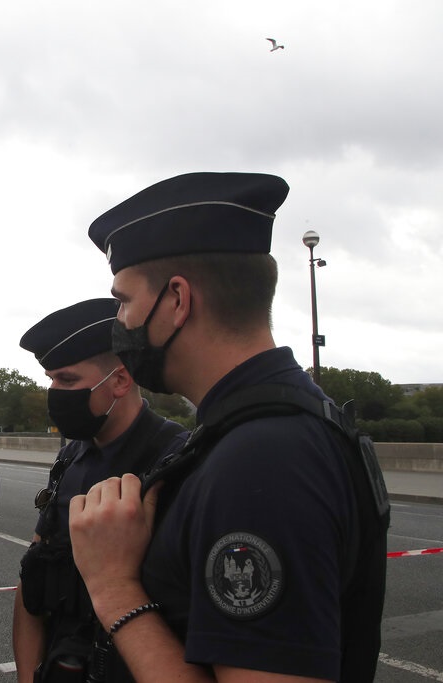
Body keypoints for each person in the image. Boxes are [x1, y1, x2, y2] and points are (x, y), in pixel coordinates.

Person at [68, 172, 389, 682]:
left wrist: (113, 587)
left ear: (177, 300)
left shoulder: (264, 457)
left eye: (124, 301)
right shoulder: (259, 428)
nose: (120, 323)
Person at [12, 298, 187, 682]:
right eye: (52, 380)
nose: (55, 392)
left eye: (68, 380)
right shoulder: (70, 459)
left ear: (121, 381)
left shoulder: (176, 462)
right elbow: (33, 583)